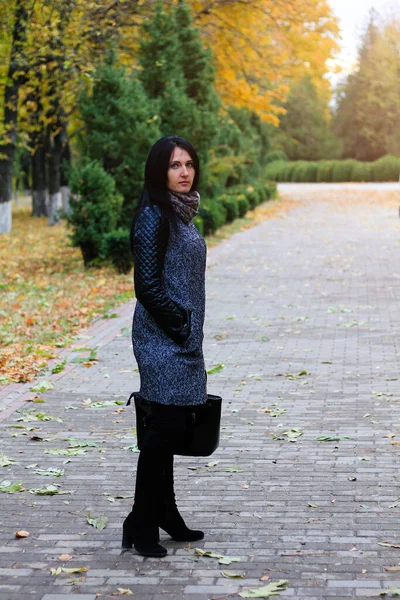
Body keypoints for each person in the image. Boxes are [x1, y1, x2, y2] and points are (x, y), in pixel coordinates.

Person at [122, 136, 207, 557]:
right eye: (175, 165)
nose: (185, 172)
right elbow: (147, 286)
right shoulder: (155, 215)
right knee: (164, 431)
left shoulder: (180, 215)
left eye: (189, 164)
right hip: (161, 337)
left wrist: (188, 328)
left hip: (181, 337)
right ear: (159, 170)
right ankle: (141, 523)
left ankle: (166, 514)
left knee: (170, 428)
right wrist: (180, 323)